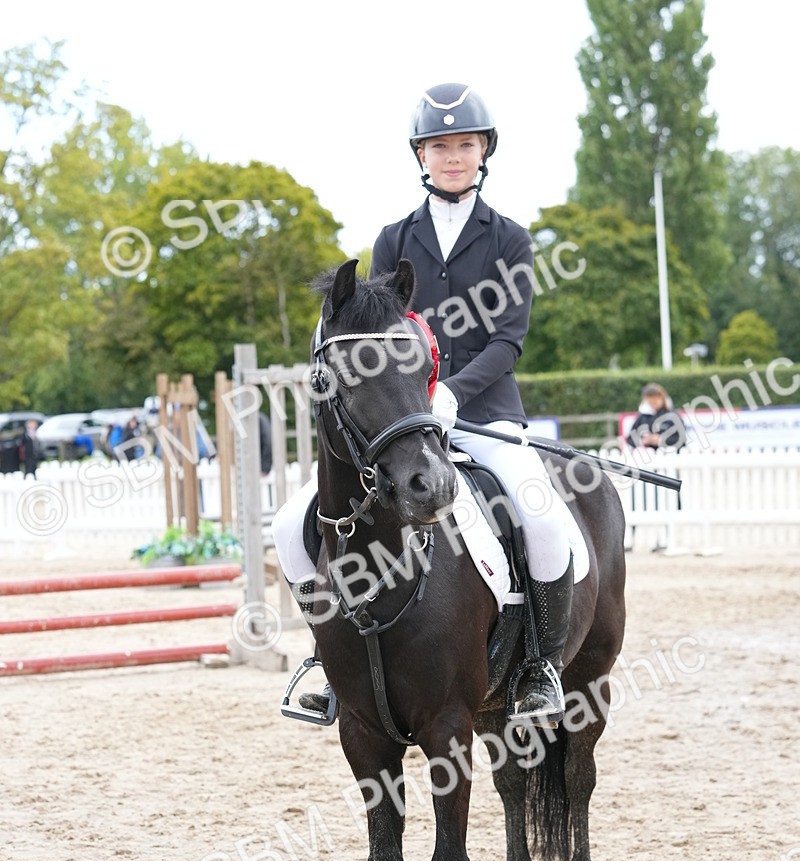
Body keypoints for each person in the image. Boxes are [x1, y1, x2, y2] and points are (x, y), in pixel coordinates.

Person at [273, 82, 580, 726]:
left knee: (545, 519)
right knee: (289, 528)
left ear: (483, 152)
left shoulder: (511, 240)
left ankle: (540, 669)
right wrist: (412, 398)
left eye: (465, 145)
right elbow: (376, 335)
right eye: (440, 146)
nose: (453, 157)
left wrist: (450, 392)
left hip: (486, 415)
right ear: (421, 154)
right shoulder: (392, 240)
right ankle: (329, 662)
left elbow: (508, 340)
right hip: (400, 425)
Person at [627, 383, 687, 451]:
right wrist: (643, 441)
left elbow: (682, 440)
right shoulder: (642, 417)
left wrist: (661, 440)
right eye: (650, 397)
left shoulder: (673, 416)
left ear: (663, 398)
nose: (653, 400)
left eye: (656, 396)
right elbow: (630, 439)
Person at [259, 410, 273, 475]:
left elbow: (267, 442)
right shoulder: (261, 417)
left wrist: (264, 468)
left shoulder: (257, 419)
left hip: (262, 467)